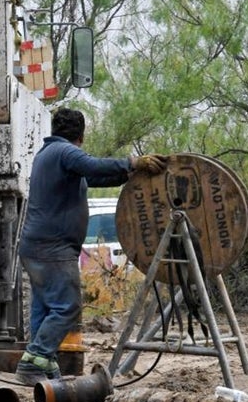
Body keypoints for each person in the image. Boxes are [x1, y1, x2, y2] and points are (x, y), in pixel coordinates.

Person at [16, 107, 167, 385]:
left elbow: (93, 177)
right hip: (53, 248)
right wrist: (133, 163)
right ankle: (34, 360)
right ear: (81, 136)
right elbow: (93, 166)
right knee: (66, 307)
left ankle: (42, 364)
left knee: (46, 308)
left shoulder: (48, 155)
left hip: (36, 246)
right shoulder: (66, 153)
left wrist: (128, 174)